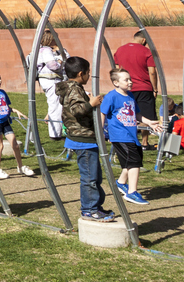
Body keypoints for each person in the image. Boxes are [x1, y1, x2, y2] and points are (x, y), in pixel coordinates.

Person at [58, 56, 115, 222]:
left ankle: (95, 206)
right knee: (90, 178)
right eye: (88, 73)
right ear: (81, 73)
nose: (89, 76)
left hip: (85, 138)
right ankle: (89, 210)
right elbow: (77, 110)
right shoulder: (73, 89)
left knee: (95, 176)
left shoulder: (73, 88)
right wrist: (92, 103)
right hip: (82, 138)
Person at [101, 66, 163, 205]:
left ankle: (121, 183)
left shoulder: (130, 96)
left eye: (130, 79)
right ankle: (132, 192)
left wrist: (150, 123)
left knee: (134, 160)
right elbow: (103, 113)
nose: (130, 82)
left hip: (132, 136)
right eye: (126, 80)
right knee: (134, 163)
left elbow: (137, 114)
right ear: (116, 82)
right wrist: (101, 131)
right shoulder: (111, 96)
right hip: (119, 135)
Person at [0, 69, 34, 179]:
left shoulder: (2, 92)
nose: (0, 81)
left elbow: (5, 106)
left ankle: (20, 167)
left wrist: (15, 110)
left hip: (5, 122)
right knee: (0, 145)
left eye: (0, 78)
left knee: (15, 145)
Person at [112, 29, 159, 148]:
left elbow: (117, 70)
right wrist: (155, 88)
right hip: (144, 87)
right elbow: (152, 72)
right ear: (144, 40)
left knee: (126, 113)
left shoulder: (120, 50)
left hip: (125, 88)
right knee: (146, 115)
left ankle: (128, 140)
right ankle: (144, 142)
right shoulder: (147, 51)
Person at [35, 30, 67, 140]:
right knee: (55, 106)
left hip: (51, 80)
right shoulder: (46, 51)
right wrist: (60, 61)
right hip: (50, 80)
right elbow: (52, 65)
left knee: (56, 104)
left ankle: (55, 130)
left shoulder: (46, 50)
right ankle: (55, 134)